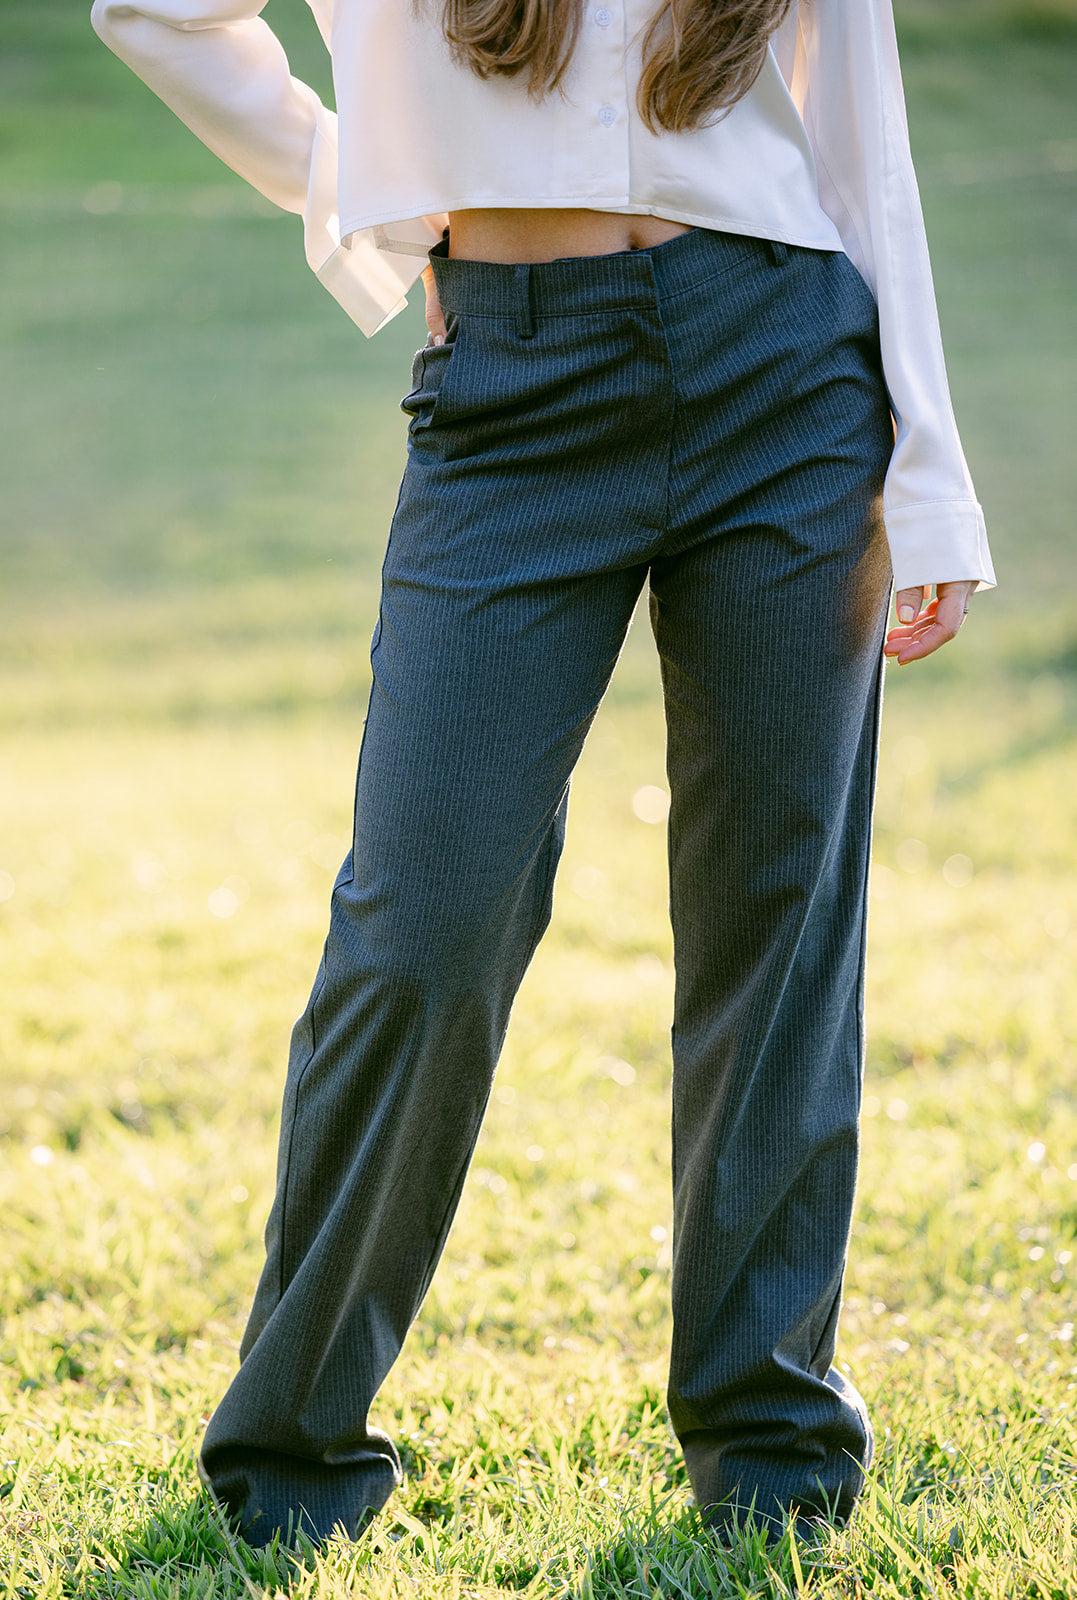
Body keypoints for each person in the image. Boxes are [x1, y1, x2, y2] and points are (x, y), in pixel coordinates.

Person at [90, 0, 995, 1551]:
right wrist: (354, 187)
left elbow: (862, 130)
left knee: (776, 925)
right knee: (419, 925)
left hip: (787, 368)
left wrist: (928, 472)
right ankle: (294, 1452)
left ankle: (769, 1443)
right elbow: (154, 9)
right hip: (508, 390)